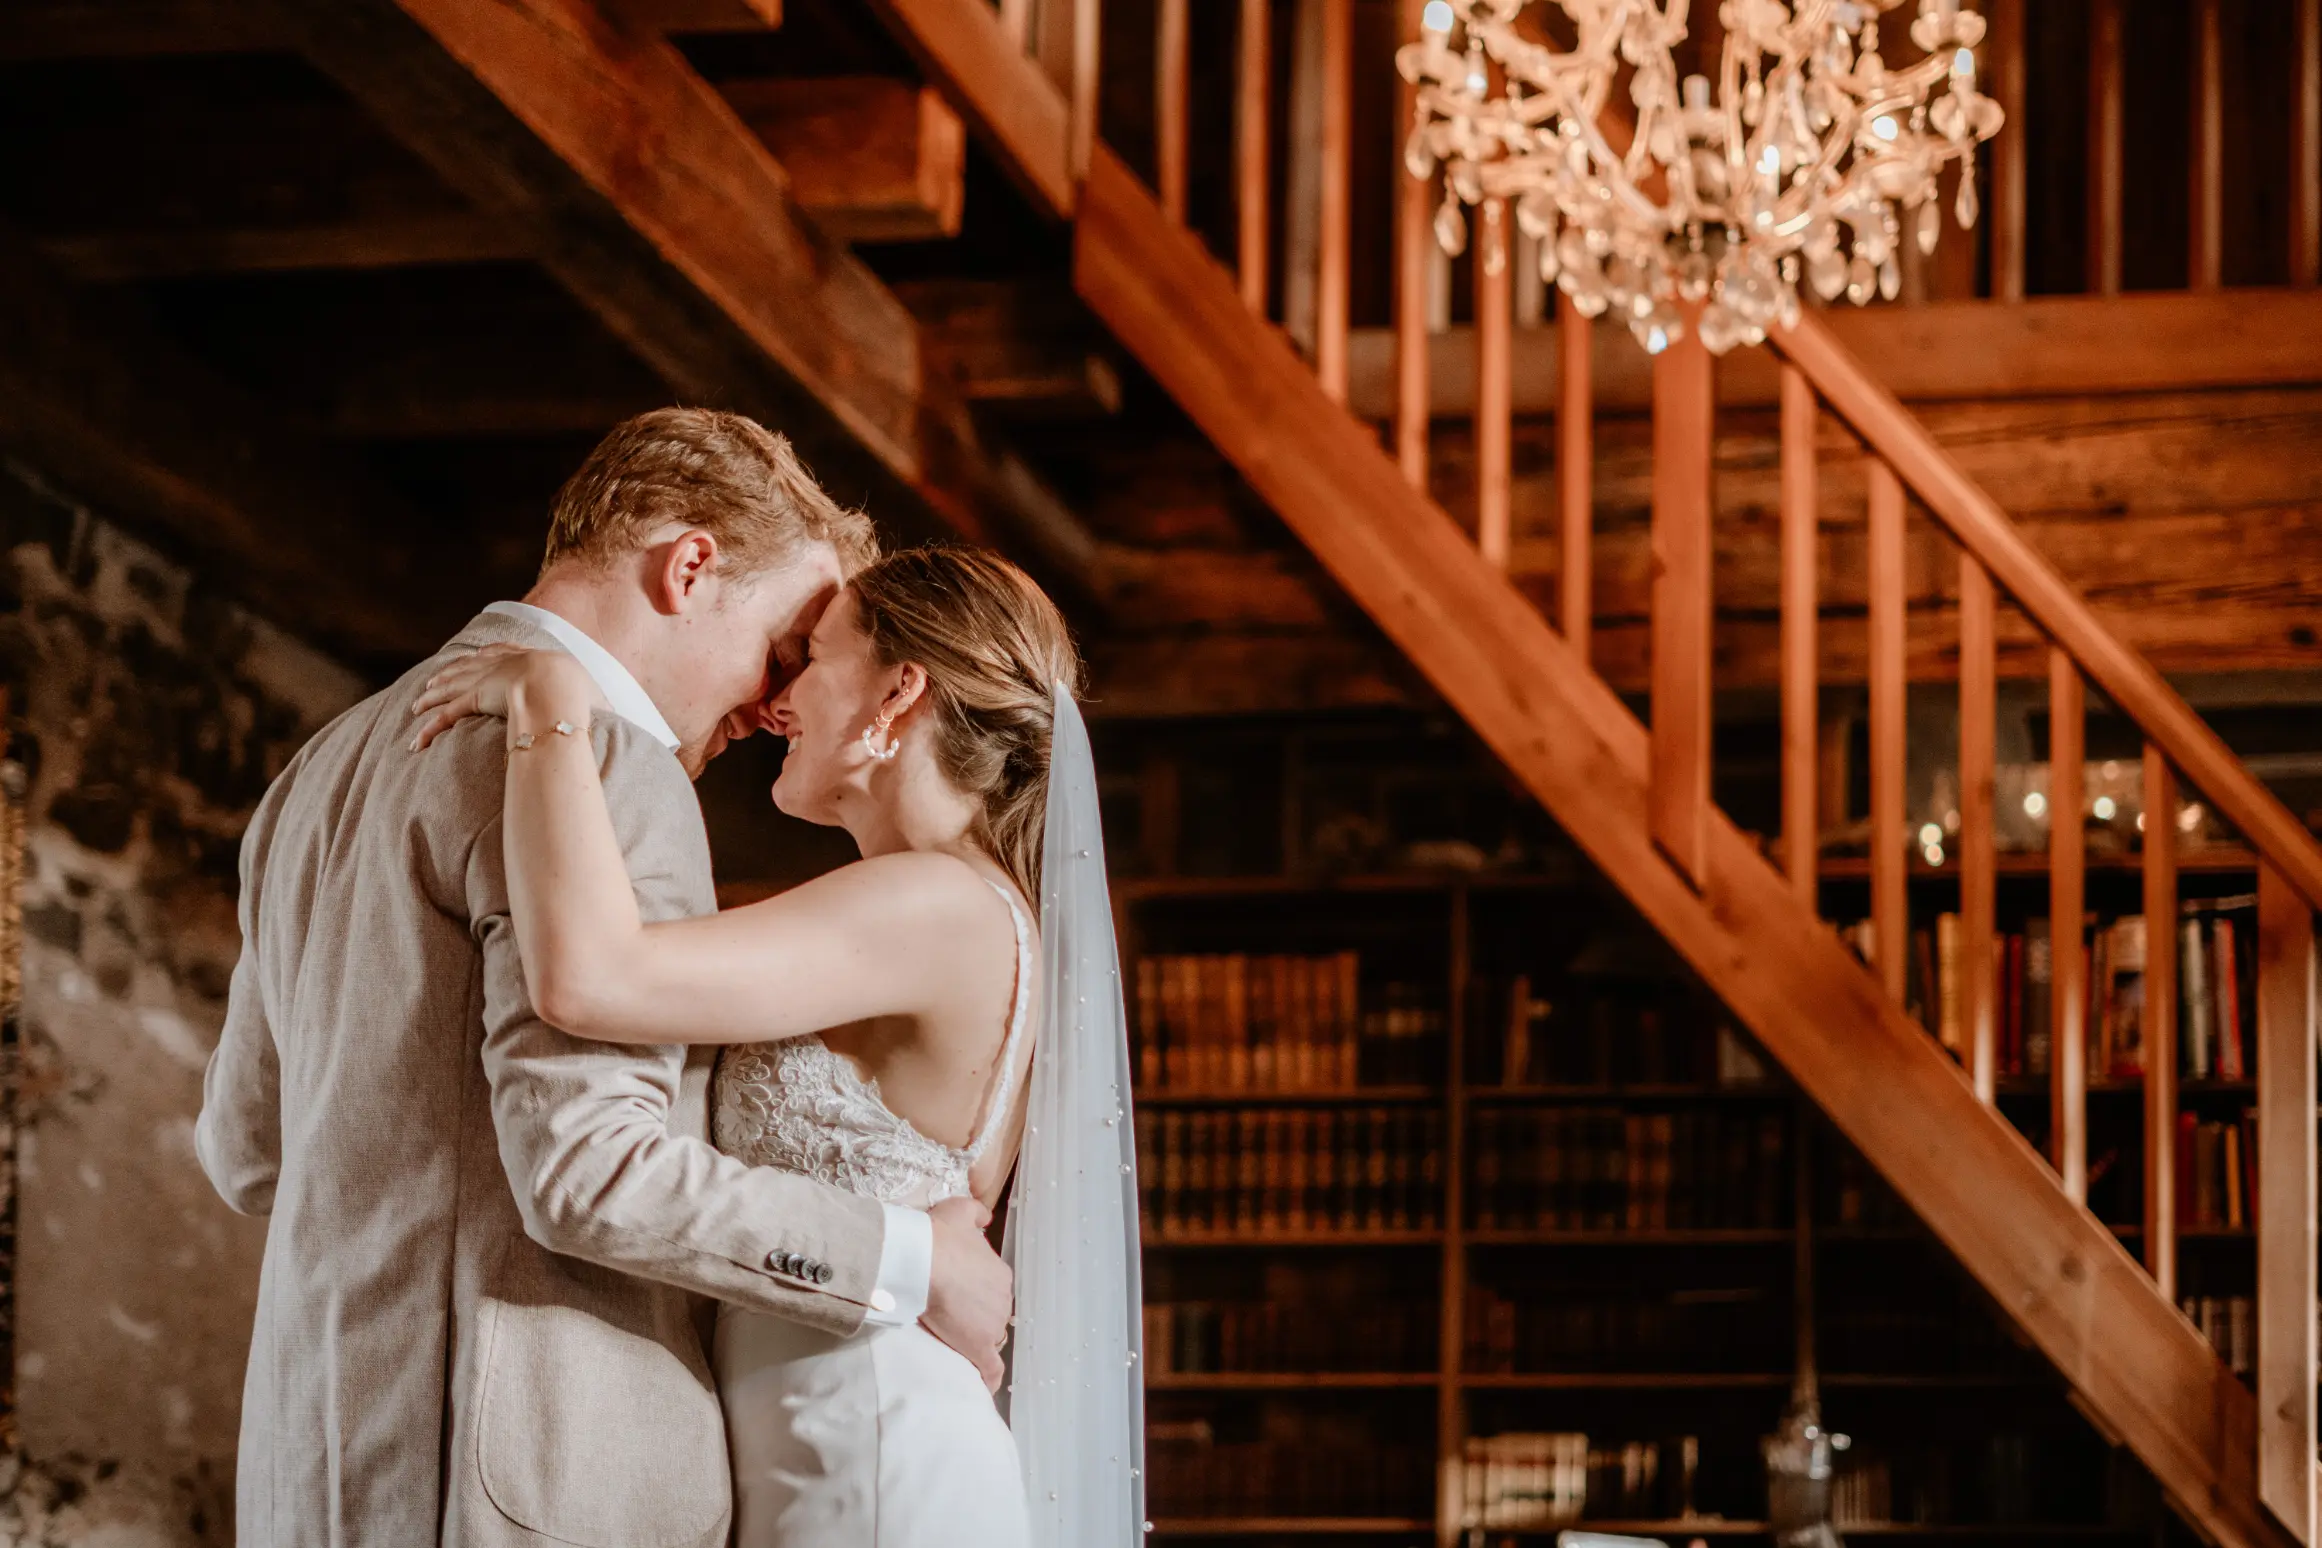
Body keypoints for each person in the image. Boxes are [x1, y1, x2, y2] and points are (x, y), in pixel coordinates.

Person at [195, 410, 1013, 1548]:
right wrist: (909, 1257)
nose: (771, 706)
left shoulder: (319, 769)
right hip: (534, 1479)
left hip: (314, 1459)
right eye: (782, 651)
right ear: (690, 569)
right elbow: (590, 1168)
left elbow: (246, 1152)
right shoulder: (604, 769)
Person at [407, 545, 1146, 1548]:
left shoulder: (936, 904)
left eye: (813, 658)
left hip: (871, 1451)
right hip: (819, 1439)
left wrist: (553, 696)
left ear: (899, 690)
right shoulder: (928, 907)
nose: (778, 697)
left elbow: (591, 978)